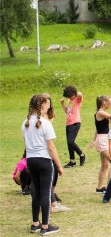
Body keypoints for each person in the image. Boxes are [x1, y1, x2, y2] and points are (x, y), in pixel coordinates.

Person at [23, 94, 63, 235]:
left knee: (36, 192)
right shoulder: (46, 124)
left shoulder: (25, 123)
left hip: (31, 161)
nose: (48, 106)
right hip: (44, 161)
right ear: (41, 106)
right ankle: (45, 227)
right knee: (45, 192)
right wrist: (58, 165)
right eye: (47, 104)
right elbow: (51, 147)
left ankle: (35, 224)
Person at [91, 95, 111, 194]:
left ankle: (100, 188)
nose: (109, 103)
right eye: (108, 102)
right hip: (103, 140)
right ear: (104, 102)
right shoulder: (100, 112)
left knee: (105, 165)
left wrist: (94, 140)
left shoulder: (101, 113)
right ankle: (110, 188)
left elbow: (97, 128)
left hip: (102, 139)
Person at [60, 86, 86, 168]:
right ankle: (72, 161)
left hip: (75, 122)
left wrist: (73, 93)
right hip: (68, 123)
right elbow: (66, 111)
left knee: (71, 142)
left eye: (71, 96)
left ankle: (81, 154)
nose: (70, 97)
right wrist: (62, 104)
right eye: (69, 96)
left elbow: (80, 94)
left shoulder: (77, 99)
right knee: (69, 143)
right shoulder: (69, 100)